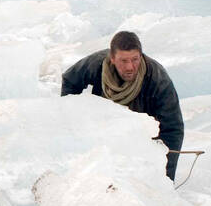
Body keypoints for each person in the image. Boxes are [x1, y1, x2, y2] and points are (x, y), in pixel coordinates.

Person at [60, 30, 184, 180]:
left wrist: (164, 180)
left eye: (135, 59)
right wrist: (74, 122)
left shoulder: (158, 79)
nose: (130, 67)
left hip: (141, 140)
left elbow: (173, 129)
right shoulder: (97, 64)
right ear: (112, 58)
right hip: (105, 133)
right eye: (124, 61)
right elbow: (70, 80)